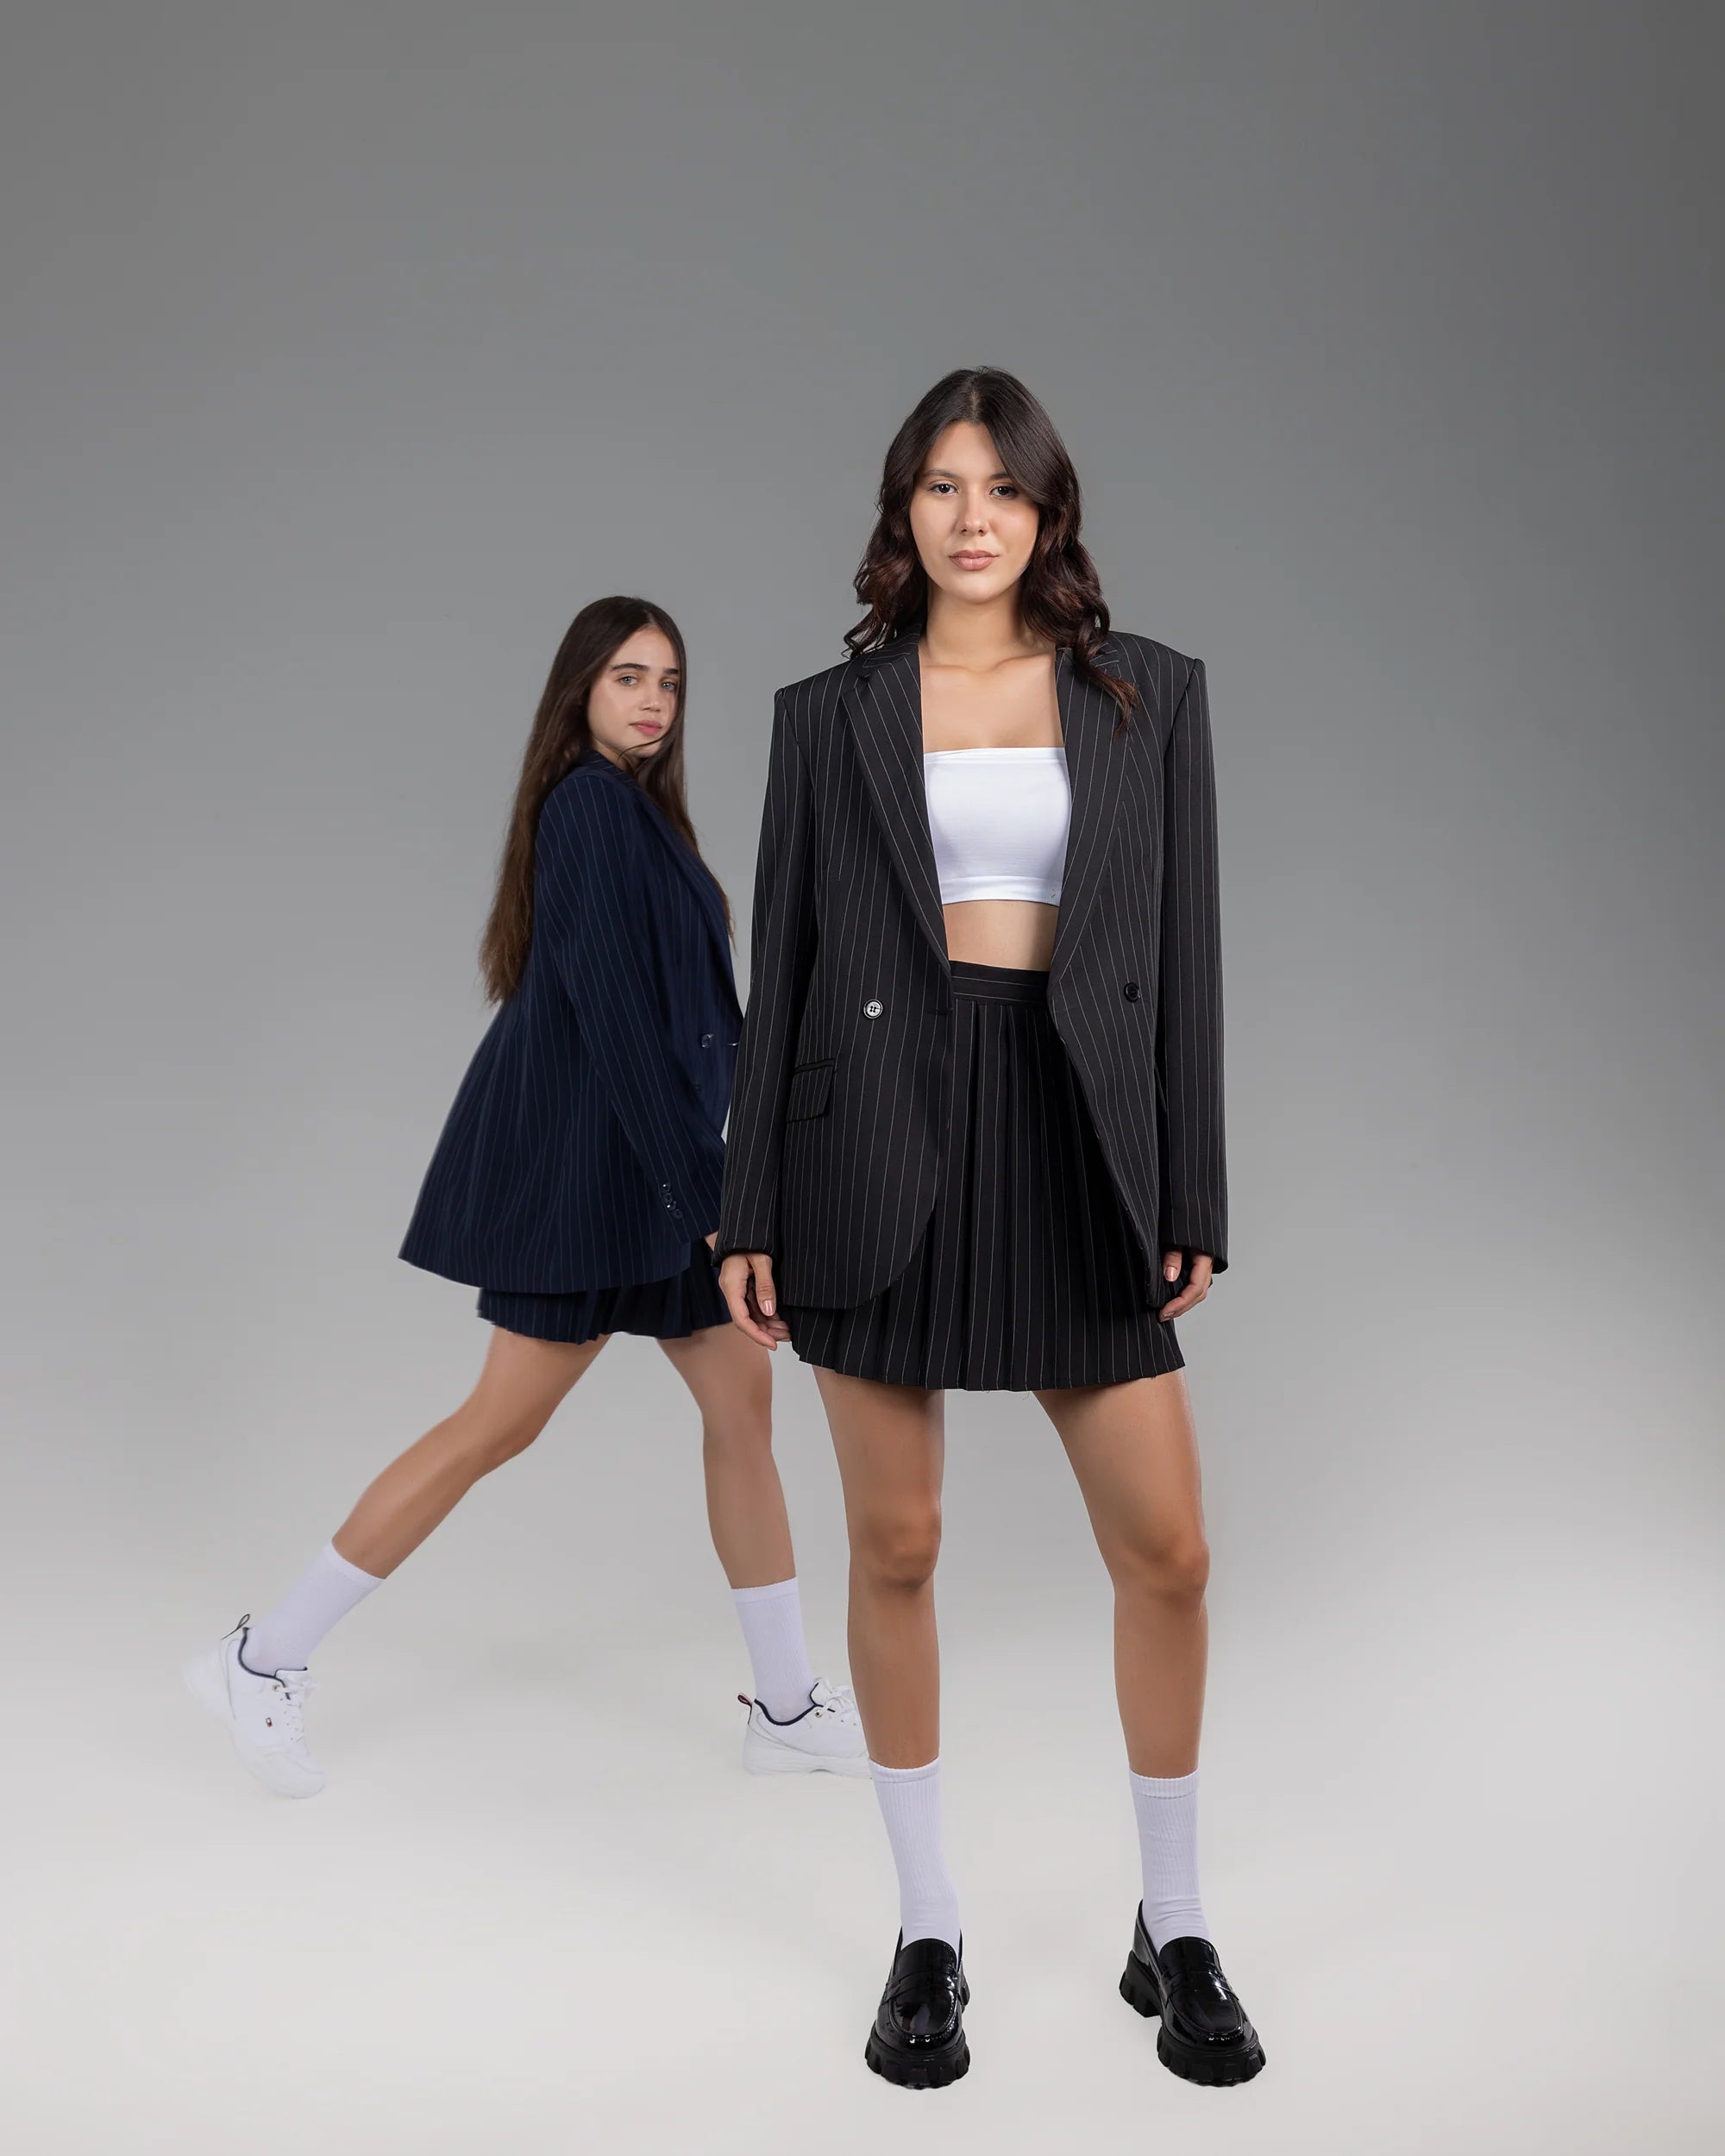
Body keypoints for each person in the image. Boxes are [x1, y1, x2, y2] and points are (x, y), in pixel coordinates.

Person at [715, 373, 1264, 2088]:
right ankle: (927, 1926)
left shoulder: (1146, 692)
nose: (973, 518)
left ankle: (1175, 1919)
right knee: (896, 1544)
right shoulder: (828, 716)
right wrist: (746, 1203)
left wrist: (1191, 1186)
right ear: (906, 510)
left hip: (1079, 1130)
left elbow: (1185, 952)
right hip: (875, 1138)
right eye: (943, 487)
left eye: (1003, 489)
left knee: (1169, 1550)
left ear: (1047, 513)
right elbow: (785, 961)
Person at [184, 596, 865, 1796]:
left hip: (660, 1167)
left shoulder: (642, 815)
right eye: (628, 677)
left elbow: (703, 1020)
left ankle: (784, 1705)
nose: (653, 701)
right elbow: (615, 1022)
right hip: (591, 1174)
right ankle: (262, 1657)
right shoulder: (588, 807)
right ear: (580, 689)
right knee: (498, 1423)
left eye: (669, 681)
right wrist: (712, 1201)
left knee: (742, 1408)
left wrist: (750, 1159)